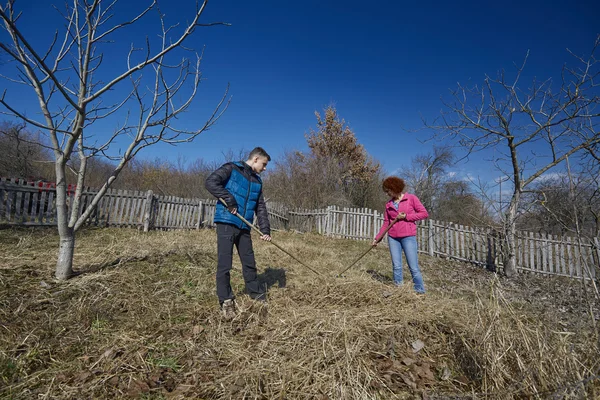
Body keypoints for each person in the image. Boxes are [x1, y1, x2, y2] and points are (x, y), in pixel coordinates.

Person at [205, 147, 272, 318]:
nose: (265, 169)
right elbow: (211, 182)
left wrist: (265, 230)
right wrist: (229, 199)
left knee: (249, 262)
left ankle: (256, 294)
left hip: (244, 226)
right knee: (224, 263)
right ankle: (226, 301)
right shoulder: (232, 168)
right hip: (227, 221)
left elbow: (260, 207)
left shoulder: (257, 181)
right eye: (264, 164)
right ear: (256, 159)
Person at [372, 176, 429, 294]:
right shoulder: (388, 205)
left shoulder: (411, 199)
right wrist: (377, 238)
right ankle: (399, 290)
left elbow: (424, 214)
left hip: (408, 237)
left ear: (395, 188)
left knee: (413, 267)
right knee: (397, 266)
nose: (387, 193)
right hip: (393, 238)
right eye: (386, 191)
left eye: (388, 191)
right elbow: (386, 223)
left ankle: (420, 291)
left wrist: (407, 217)